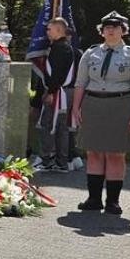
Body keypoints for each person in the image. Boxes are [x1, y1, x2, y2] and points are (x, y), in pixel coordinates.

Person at [70, 11, 130, 216]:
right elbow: (80, 83)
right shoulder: (90, 53)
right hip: (93, 104)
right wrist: (76, 108)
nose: (111, 30)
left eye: (116, 27)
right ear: (101, 31)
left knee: (115, 154)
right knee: (93, 152)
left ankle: (113, 201)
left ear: (123, 31)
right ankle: (94, 199)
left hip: (120, 106)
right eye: (107, 27)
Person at [35, 17, 78, 171]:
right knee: (61, 127)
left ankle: (47, 159)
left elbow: (57, 74)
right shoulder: (63, 47)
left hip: (59, 94)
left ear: (59, 30)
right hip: (62, 92)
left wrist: (51, 92)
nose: (46, 32)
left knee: (49, 125)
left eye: (49, 29)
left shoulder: (60, 48)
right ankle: (61, 161)